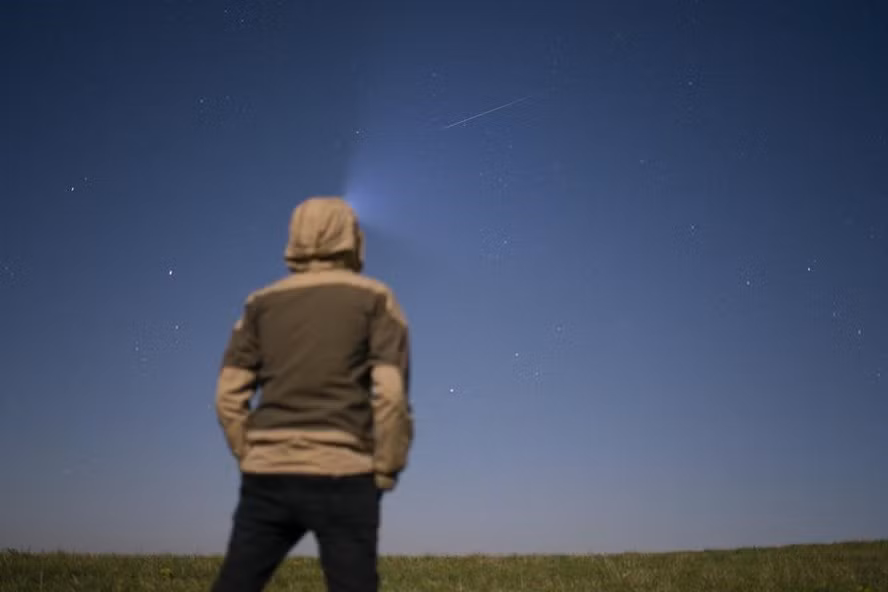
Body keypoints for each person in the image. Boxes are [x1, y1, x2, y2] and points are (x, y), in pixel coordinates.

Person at [211, 196, 414, 592]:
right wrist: (386, 467)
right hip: (345, 472)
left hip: (268, 472)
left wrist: (250, 453)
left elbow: (227, 395)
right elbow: (390, 394)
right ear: (352, 237)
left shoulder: (259, 304)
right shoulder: (376, 298)